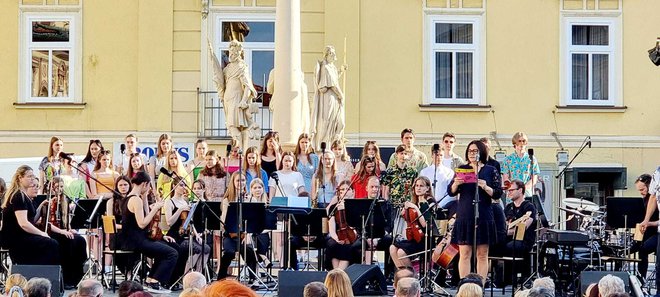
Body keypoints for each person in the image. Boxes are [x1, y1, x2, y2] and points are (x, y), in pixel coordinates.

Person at [448, 140, 502, 281]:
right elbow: (451, 192)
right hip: (465, 214)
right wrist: (456, 184)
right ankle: (465, 285)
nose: (472, 153)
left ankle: (480, 286)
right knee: (464, 253)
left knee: (482, 254)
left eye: (475, 151)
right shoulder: (463, 168)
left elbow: (497, 193)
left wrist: (485, 187)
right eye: (470, 151)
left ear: (481, 152)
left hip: (483, 214)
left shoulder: (491, 170)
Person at [118, 171, 178, 292]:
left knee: (166, 248)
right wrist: (155, 208)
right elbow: (142, 224)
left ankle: (151, 279)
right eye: (149, 185)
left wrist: (145, 198)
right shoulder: (136, 200)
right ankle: (156, 281)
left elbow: (146, 214)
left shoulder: (129, 198)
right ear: (145, 184)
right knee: (172, 253)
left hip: (133, 238)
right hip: (136, 240)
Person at [34, 176, 87, 289]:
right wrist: (63, 232)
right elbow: (48, 224)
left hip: (62, 231)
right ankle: (67, 278)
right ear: (52, 188)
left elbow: (66, 221)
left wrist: (69, 229)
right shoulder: (49, 202)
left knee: (80, 240)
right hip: (53, 232)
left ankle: (78, 275)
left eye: (62, 187)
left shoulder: (65, 201)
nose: (60, 189)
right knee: (67, 242)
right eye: (57, 187)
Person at [1, 166, 59, 265]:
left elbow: (32, 220)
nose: (32, 179)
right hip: (16, 238)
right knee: (51, 244)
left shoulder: (24, 196)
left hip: (23, 236)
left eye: (33, 176)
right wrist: (41, 234)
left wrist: (41, 207)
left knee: (54, 241)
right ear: (20, 178)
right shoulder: (18, 196)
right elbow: (24, 223)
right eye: (29, 176)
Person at [217, 172, 258, 280]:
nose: (241, 183)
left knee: (249, 252)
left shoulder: (251, 199)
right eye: (238, 180)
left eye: (243, 180)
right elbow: (224, 221)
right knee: (229, 252)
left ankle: (253, 279)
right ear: (233, 183)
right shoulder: (227, 200)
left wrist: (248, 234)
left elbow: (254, 221)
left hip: (245, 235)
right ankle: (221, 278)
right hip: (230, 235)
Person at [219, 40, 260, 148]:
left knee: (233, 126)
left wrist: (243, 101)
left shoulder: (242, 67)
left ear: (239, 53)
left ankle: (240, 149)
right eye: (230, 52)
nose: (231, 55)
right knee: (231, 126)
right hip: (228, 99)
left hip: (236, 99)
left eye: (234, 52)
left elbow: (247, 86)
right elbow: (222, 83)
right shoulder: (227, 69)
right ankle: (238, 149)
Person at [163, 177, 209, 274]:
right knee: (197, 249)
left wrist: (197, 235)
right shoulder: (169, 202)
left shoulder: (185, 201)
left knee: (206, 248)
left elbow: (190, 222)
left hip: (186, 235)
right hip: (175, 235)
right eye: (181, 185)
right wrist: (180, 210)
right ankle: (186, 274)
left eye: (185, 185)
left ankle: (198, 274)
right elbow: (169, 222)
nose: (184, 187)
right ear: (174, 186)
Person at [495, 179, 536, 286]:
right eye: (508, 191)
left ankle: (516, 278)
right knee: (492, 246)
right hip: (507, 239)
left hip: (524, 240)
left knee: (512, 246)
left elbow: (524, 227)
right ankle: (499, 280)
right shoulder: (508, 207)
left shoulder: (529, 206)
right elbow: (503, 226)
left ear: (520, 190)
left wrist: (507, 231)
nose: (509, 193)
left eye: (512, 190)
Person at [390, 176, 432, 269]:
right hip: (414, 236)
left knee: (401, 252)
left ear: (427, 188)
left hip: (424, 239)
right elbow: (410, 221)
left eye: (421, 186)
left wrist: (416, 208)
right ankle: (402, 274)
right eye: (416, 186)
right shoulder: (414, 203)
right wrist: (404, 213)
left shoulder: (429, 203)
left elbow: (425, 224)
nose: (418, 188)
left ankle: (412, 275)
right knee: (392, 248)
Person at [311, 45, 346, 149]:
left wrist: (341, 70)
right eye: (331, 53)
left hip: (334, 97)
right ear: (326, 55)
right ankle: (324, 143)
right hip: (328, 97)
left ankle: (331, 142)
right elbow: (332, 84)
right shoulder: (325, 67)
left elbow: (334, 78)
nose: (333, 55)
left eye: (333, 53)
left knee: (335, 119)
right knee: (327, 118)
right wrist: (341, 95)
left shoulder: (332, 67)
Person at [630, 174, 658, 279]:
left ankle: (641, 279)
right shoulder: (644, 200)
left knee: (643, 250)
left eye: (642, 189)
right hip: (648, 232)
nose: (641, 192)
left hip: (657, 232)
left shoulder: (655, 198)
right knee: (629, 248)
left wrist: (648, 223)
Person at [326, 181, 358, 270]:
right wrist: (336, 238)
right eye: (342, 190)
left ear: (353, 192)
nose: (344, 192)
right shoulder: (334, 207)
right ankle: (336, 273)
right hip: (338, 235)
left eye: (347, 189)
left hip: (352, 235)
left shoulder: (356, 206)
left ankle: (338, 274)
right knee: (332, 245)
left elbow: (355, 225)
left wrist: (345, 209)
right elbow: (332, 228)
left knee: (348, 247)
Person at [501, 132, 540, 198]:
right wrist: (514, 189)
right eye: (519, 141)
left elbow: (534, 178)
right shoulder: (507, 159)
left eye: (524, 141)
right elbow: (505, 178)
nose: (521, 144)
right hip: (512, 194)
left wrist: (523, 189)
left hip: (527, 195)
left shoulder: (532, 159)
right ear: (514, 143)